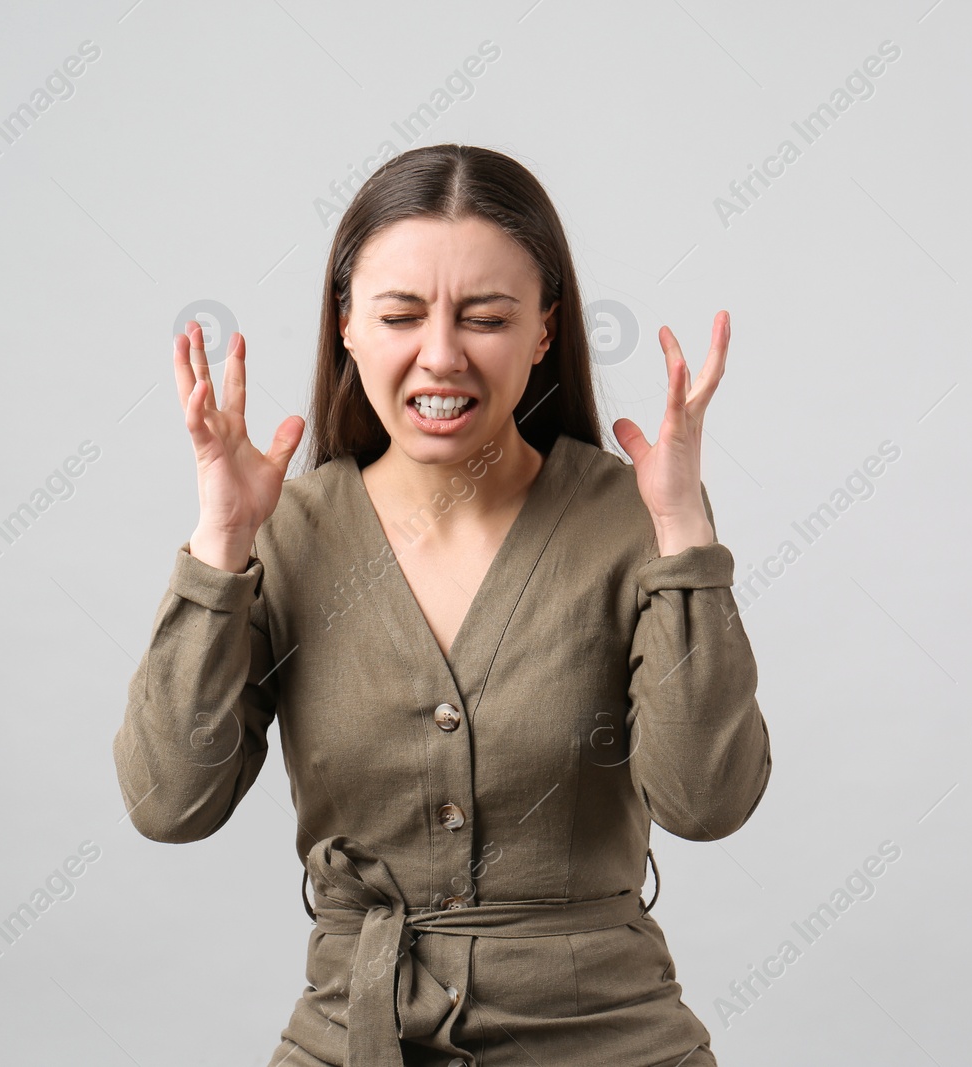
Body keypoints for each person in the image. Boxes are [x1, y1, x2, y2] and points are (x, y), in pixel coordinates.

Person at [113, 143, 772, 1067]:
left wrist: (685, 537)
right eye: (400, 314)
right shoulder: (285, 534)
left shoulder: (633, 521)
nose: (441, 355)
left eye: (485, 317)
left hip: (608, 1040)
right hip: (359, 1035)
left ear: (544, 329)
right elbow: (166, 802)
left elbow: (706, 803)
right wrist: (221, 545)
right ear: (346, 325)